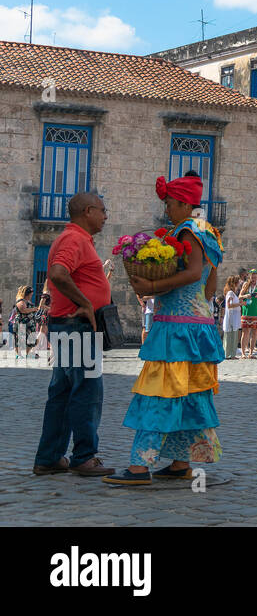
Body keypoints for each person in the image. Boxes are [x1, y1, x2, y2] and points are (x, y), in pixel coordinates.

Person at [104, 175, 225, 485]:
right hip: (199, 326)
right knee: (186, 394)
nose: (167, 209)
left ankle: (139, 467)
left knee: (158, 393)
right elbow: (209, 286)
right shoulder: (209, 233)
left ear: (185, 203)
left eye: (170, 203)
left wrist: (154, 286)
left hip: (177, 328)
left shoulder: (186, 232)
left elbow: (193, 272)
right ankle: (180, 462)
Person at [33, 192, 115, 477]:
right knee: (86, 391)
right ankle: (84, 456)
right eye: (103, 211)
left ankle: (50, 457)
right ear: (88, 211)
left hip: (68, 327)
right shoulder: (75, 239)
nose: (106, 216)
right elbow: (57, 273)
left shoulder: (75, 238)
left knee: (63, 391)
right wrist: (85, 303)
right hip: (76, 326)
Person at [240, 271, 257, 358]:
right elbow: (240, 296)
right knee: (245, 332)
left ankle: (251, 353)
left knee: (255, 333)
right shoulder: (245, 284)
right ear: (249, 277)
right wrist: (245, 296)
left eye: (255, 277)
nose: (253, 279)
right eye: (252, 277)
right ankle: (243, 353)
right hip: (246, 310)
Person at [221, 276, 243, 360]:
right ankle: (228, 354)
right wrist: (240, 304)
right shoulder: (230, 293)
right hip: (231, 318)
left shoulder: (232, 293)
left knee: (232, 336)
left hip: (234, 317)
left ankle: (231, 354)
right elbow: (229, 305)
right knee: (230, 337)